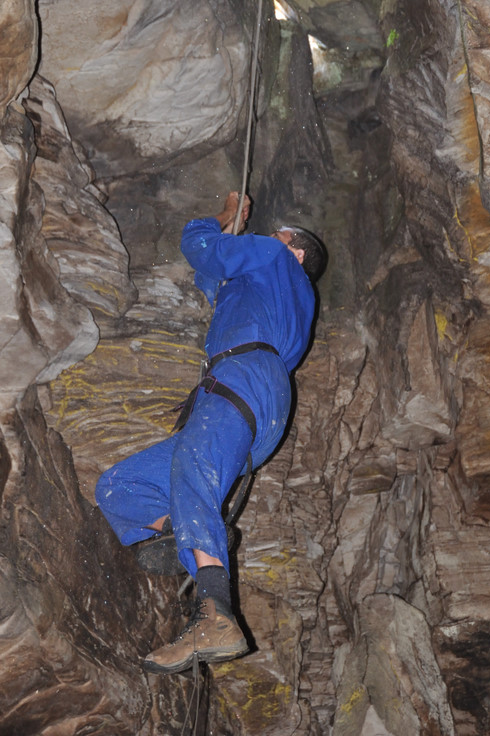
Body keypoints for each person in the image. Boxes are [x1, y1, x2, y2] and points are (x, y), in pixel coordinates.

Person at [95, 191, 326, 674]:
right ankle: (185, 526)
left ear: (296, 252)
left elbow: (199, 247)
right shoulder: (268, 285)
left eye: (278, 235)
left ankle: (216, 614)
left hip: (242, 379)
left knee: (196, 471)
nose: (268, 236)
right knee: (118, 487)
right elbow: (212, 276)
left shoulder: (271, 257)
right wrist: (227, 243)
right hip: (247, 393)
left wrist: (224, 217)